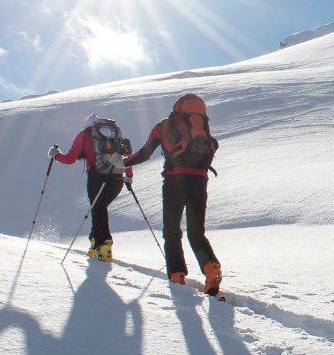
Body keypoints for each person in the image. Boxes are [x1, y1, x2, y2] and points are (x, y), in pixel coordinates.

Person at [123, 94, 221, 294]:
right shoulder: (202, 126)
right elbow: (214, 144)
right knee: (196, 232)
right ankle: (211, 269)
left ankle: (177, 275)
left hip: (174, 182)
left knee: (172, 231)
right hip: (200, 182)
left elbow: (145, 152)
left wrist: (123, 162)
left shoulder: (165, 126)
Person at [50, 113, 131, 262]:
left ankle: (103, 246)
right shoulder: (114, 135)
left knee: (98, 209)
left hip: (97, 177)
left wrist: (55, 155)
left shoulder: (85, 134)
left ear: (87, 125)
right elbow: (124, 156)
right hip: (118, 177)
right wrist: (129, 177)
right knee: (99, 209)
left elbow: (69, 159)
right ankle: (94, 243)